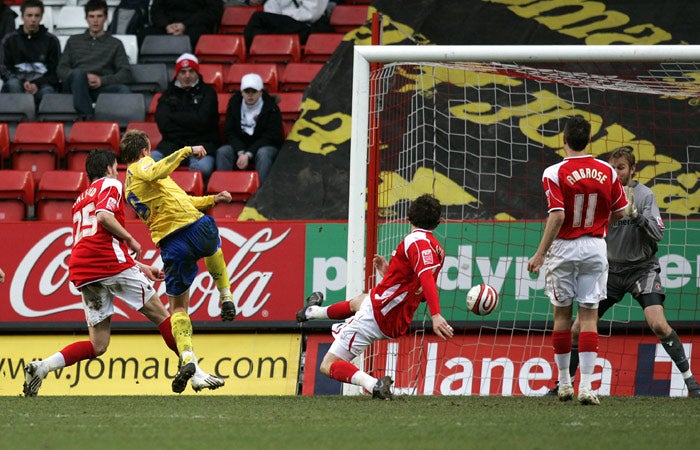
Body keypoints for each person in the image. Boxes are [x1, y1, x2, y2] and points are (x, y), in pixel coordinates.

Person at [23, 149, 224, 397]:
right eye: (116, 167)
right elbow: (104, 217)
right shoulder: (111, 184)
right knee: (164, 315)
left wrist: (141, 267)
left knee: (98, 345)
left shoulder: (80, 199)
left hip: (84, 269)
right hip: (108, 263)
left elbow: (96, 238)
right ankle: (196, 374)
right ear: (109, 168)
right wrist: (130, 239)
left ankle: (42, 367)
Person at [548, 146, 700, 398]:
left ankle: (691, 382)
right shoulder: (603, 192)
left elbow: (659, 234)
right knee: (576, 329)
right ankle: (564, 384)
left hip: (642, 269)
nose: (617, 173)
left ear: (632, 170)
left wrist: (636, 215)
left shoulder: (644, 195)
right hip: (610, 271)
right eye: (613, 168)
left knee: (658, 324)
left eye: (621, 168)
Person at [296, 194, 452, 399]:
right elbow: (418, 291)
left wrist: (436, 314)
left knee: (327, 365)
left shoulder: (415, 241)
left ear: (409, 217)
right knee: (358, 301)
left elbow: (425, 280)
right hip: (397, 321)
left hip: (378, 313)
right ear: (438, 223)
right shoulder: (439, 251)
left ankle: (373, 385)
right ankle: (312, 311)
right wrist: (388, 272)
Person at [120, 129, 237, 392]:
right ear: (144, 151)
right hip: (196, 228)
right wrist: (186, 150)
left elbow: (184, 201)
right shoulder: (144, 165)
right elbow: (154, 171)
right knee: (213, 246)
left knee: (178, 308)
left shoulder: (130, 189)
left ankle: (186, 358)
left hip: (171, 245)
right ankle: (226, 295)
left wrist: (212, 199)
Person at [527, 116, 627, 406]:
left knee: (561, 317)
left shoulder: (553, 172)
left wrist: (540, 253)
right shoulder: (608, 171)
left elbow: (557, 215)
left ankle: (564, 384)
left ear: (564, 138)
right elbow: (621, 212)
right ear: (589, 139)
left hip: (563, 249)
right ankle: (586, 387)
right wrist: (597, 219)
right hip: (595, 247)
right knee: (588, 318)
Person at [57, 0, 132, 119]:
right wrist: (82, 78)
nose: (95, 21)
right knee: (78, 73)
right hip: (75, 87)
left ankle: (123, 127)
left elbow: (126, 73)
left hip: (101, 88)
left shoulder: (115, 44)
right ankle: (88, 116)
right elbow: (61, 69)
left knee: (123, 90)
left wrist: (101, 80)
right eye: (91, 16)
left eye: (99, 16)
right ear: (86, 18)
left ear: (106, 18)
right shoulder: (73, 41)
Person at [153, 53, 218, 182]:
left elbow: (204, 122)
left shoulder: (208, 93)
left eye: (191, 71)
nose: (187, 76)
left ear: (197, 72)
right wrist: (192, 119)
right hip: (172, 146)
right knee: (150, 163)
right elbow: (164, 125)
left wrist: (175, 116)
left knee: (202, 168)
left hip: (202, 145)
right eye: (183, 72)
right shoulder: (167, 94)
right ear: (177, 74)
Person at [216, 73, 284, 185]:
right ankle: (223, 191)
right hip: (241, 147)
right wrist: (241, 151)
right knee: (223, 152)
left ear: (261, 92)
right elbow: (229, 131)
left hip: (263, 146)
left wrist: (249, 154)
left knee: (264, 154)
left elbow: (271, 136)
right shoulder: (234, 105)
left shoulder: (271, 108)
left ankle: (261, 193)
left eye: (254, 92)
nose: (250, 95)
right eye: (247, 91)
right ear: (242, 92)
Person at [0, 0, 61, 105]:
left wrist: (36, 84)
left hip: (42, 86)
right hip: (16, 85)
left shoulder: (52, 41)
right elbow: (3, 68)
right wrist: (23, 83)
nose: (33, 19)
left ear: (41, 17)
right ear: (22, 17)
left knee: (49, 92)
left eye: (37, 16)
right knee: (14, 84)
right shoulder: (9, 40)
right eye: (29, 15)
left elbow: (55, 72)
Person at [243, 0, 333, 49]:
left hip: (308, 27)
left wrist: (283, 16)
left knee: (258, 18)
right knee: (262, 24)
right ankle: (260, 49)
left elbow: (311, 14)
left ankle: (252, 48)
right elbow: (271, 8)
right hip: (286, 24)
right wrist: (279, 19)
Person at [145, 0, 223, 49]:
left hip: (194, 26)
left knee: (199, 36)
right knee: (144, 35)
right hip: (167, 27)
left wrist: (185, 25)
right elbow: (156, 9)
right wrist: (166, 25)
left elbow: (214, 11)